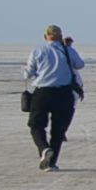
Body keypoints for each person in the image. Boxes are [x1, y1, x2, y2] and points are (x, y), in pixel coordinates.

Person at [23, 24, 84, 170]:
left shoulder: (38, 50)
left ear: (46, 36)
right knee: (58, 130)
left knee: (36, 125)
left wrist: (24, 70)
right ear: (60, 36)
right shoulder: (67, 50)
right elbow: (80, 65)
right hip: (64, 94)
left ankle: (44, 149)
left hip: (42, 93)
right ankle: (52, 162)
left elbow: (28, 73)